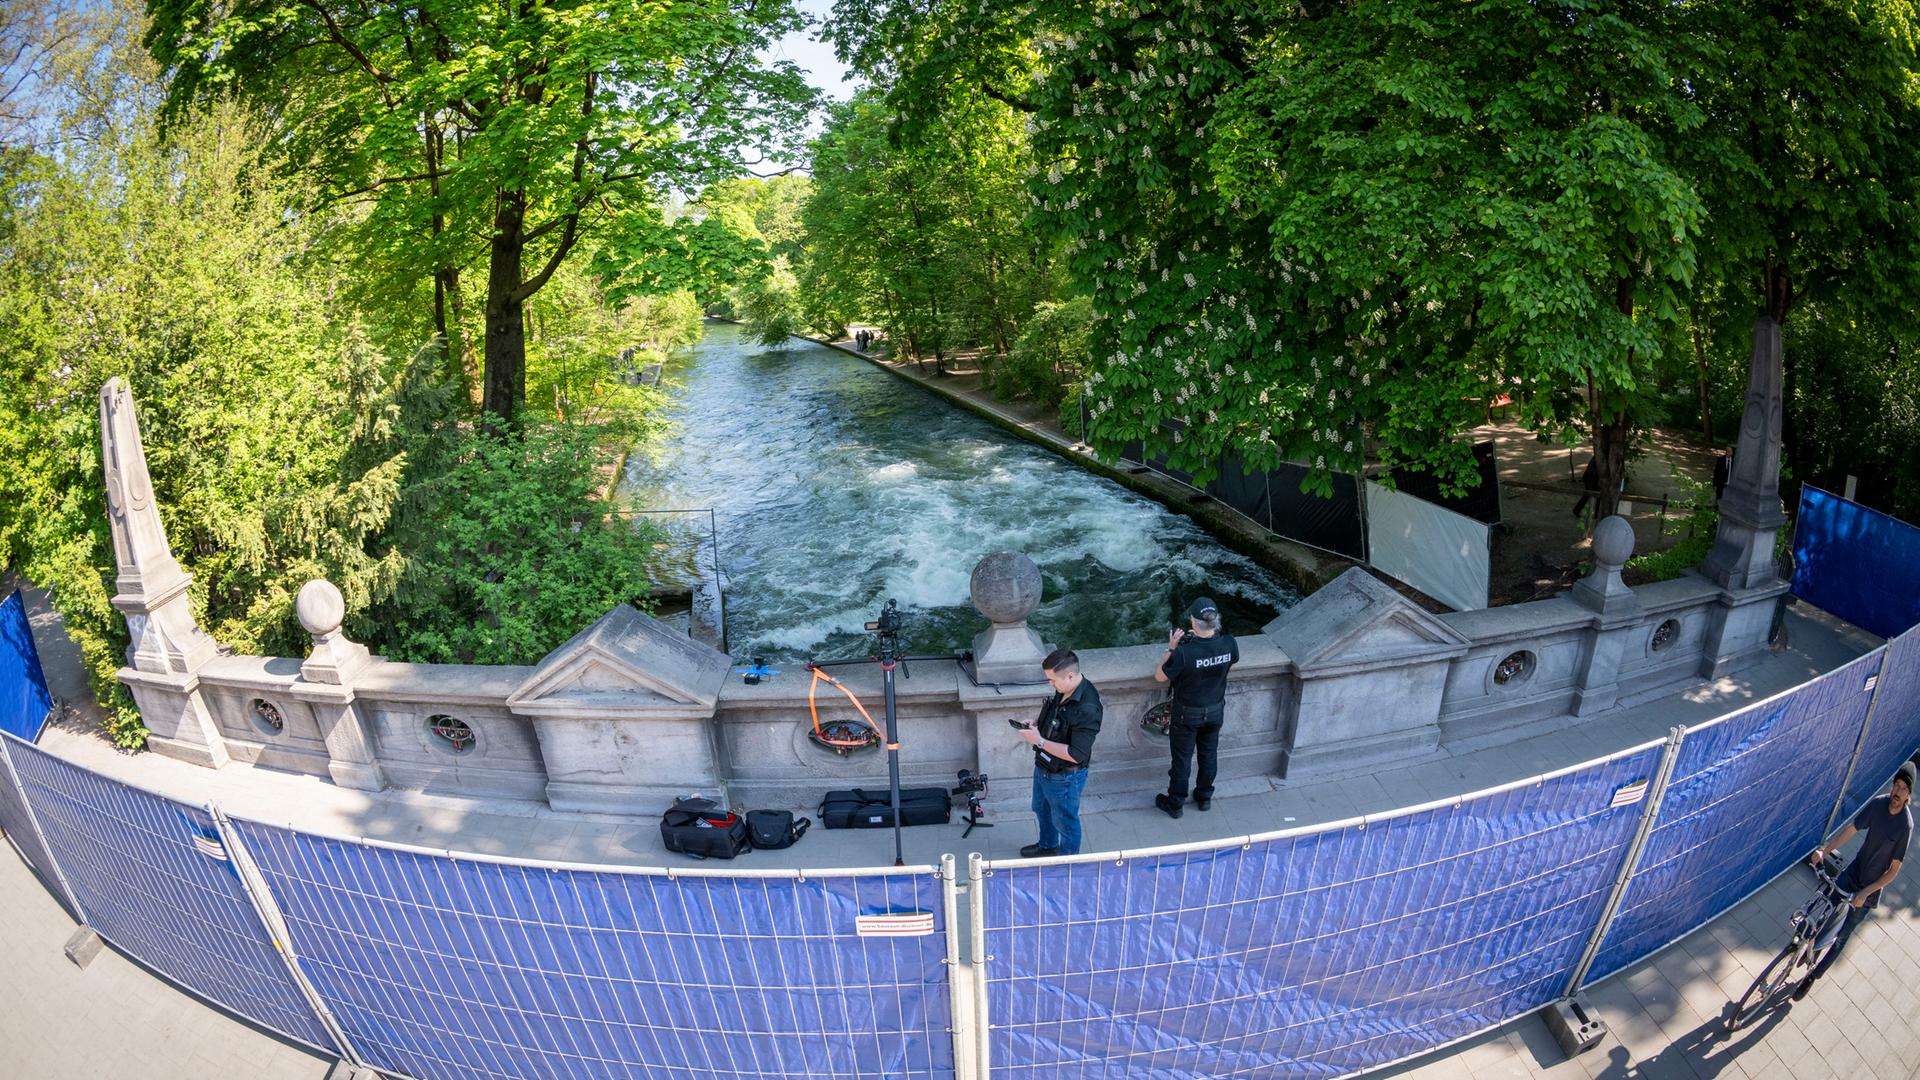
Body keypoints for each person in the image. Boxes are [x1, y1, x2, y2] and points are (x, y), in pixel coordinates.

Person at [1794, 760, 1913, 1000]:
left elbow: (1894, 871)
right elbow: (1851, 829)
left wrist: (1865, 893)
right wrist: (1824, 851)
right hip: (1854, 872)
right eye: (1896, 785)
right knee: (1825, 901)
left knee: (1842, 936)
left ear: (1909, 795)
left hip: (1869, 891)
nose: (1897, 792)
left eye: (1903, 789)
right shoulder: (1879, 804)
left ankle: (1812, 976)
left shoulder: (1905, 826)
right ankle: (1807, 944)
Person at [1152, 597, 1240, 818]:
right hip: (1215, 709)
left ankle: (1176, 803)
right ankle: (1204, 797)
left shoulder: (1184, 653)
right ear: (1215, 620)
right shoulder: (1229, 643)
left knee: (1182, 760)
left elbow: (1160, 676)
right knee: (1209, 755)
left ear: (1193, 622)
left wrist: (1171, 647)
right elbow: (1228, 659)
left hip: (1187, 714)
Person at [1015, 648, 1102, 857]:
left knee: (1066, 822)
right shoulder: (1065, 688)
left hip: (1065, 777)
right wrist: (1037, 724)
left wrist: (1040, 741)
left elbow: (1076, 754)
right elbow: (1057, 715)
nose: (1050, 684)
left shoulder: (1088, 708)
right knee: (1041, 809)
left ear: (1070, 675)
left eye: (1052, 680)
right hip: (1044, 767)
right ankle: (1047, 846)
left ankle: (1067, 863)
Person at [1572, 457, 1600, 522]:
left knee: (1592, 496)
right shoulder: (1599, 457)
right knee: (1590, 495)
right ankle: (1577, 510)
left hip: (1592, 478)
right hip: (1591, 478)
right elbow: (1592, 470)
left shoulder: (1599, 456)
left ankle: (1596, 513)